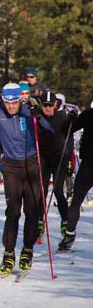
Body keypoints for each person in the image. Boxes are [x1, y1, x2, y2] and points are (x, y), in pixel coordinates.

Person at [0, 83, 53, 275]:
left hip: (30, 164)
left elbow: (49, 130)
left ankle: (27, 250)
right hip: (11, 166)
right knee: (13, 211)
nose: (11, 106)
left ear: (19, 100)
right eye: (7, 102)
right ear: (3, 101)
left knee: (31, 210)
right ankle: (8, 253)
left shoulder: (28, 112)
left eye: (14, 102)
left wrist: (39, 115)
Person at [39, 90, 75, 240]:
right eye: (44, 105)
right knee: (41, 191)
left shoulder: (62, 117)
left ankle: (65, 220)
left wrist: (70, 161)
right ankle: (39, 221)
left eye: (50, 105)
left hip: (60, 159)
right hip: (44, 159)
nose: (47, 108)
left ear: (55, 104)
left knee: (59, 191)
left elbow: (71, 137)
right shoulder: (38, 118)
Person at [59, 102, 93, 250]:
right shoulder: (88, 114)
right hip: (88, 165)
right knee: (76, 200)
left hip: (88, 165)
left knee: (76, 201)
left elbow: (67, 130)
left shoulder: (88, 114)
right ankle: (69, 233)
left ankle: (69, 235)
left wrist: (70, 119)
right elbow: (67, 130)